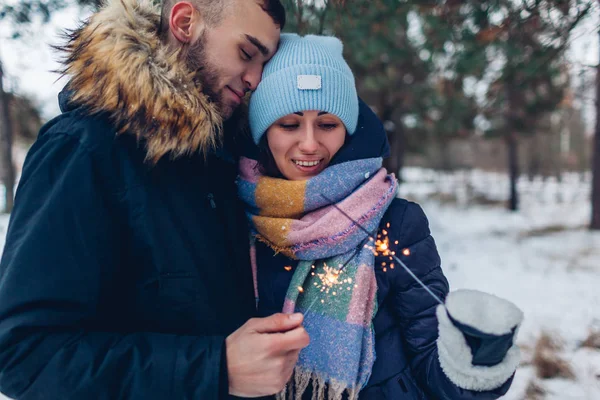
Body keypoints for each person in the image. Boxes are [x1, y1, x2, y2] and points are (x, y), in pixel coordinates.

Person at [0, 0, 311, 399]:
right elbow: (25, 355)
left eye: (264, 64)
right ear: (184, 22)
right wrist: (214, 367)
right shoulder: (83, 151)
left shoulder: (223, 159)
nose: (254, 78)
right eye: (246, 53)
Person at [237, 33, 524, 400]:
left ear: (348, 129)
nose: (309, 144)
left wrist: (478, 356)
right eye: (289, 125)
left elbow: (431, 363)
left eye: (327, 124)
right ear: (264, 134)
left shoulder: (396, 223)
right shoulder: (232, 215)